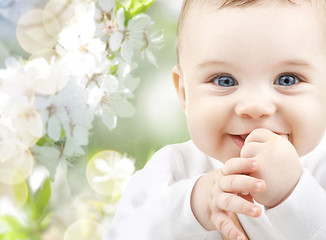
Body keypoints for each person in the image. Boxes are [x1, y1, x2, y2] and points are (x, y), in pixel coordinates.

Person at [103, 0, 326, 239]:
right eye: (225, 81)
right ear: (185, 93)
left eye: (287, 80)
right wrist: (193, 205)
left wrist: (293, 193)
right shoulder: (173, 169)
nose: (254, 107)